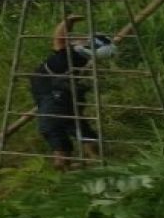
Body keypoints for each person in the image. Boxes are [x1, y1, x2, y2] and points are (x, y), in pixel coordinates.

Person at [30, 15, 112, 171]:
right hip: (64, 93)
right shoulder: (79, 57)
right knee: (74, 123)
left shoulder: (67, 57)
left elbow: (59, 38)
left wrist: (68, 22)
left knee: (51, 127)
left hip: (55, 95)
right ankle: (97, 158)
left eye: (86, 40)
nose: (81, 39)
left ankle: (62, 165)